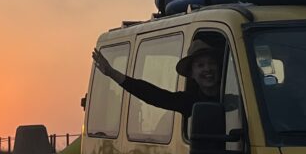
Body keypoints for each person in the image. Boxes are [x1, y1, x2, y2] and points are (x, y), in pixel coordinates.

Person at [92, 39, 221, 119]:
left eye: (211, 63)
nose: (208, 69)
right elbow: (154, 95)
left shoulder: (235, 98)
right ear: (191, 73)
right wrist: (112, 73)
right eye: (200, 65)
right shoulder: (190, 102)